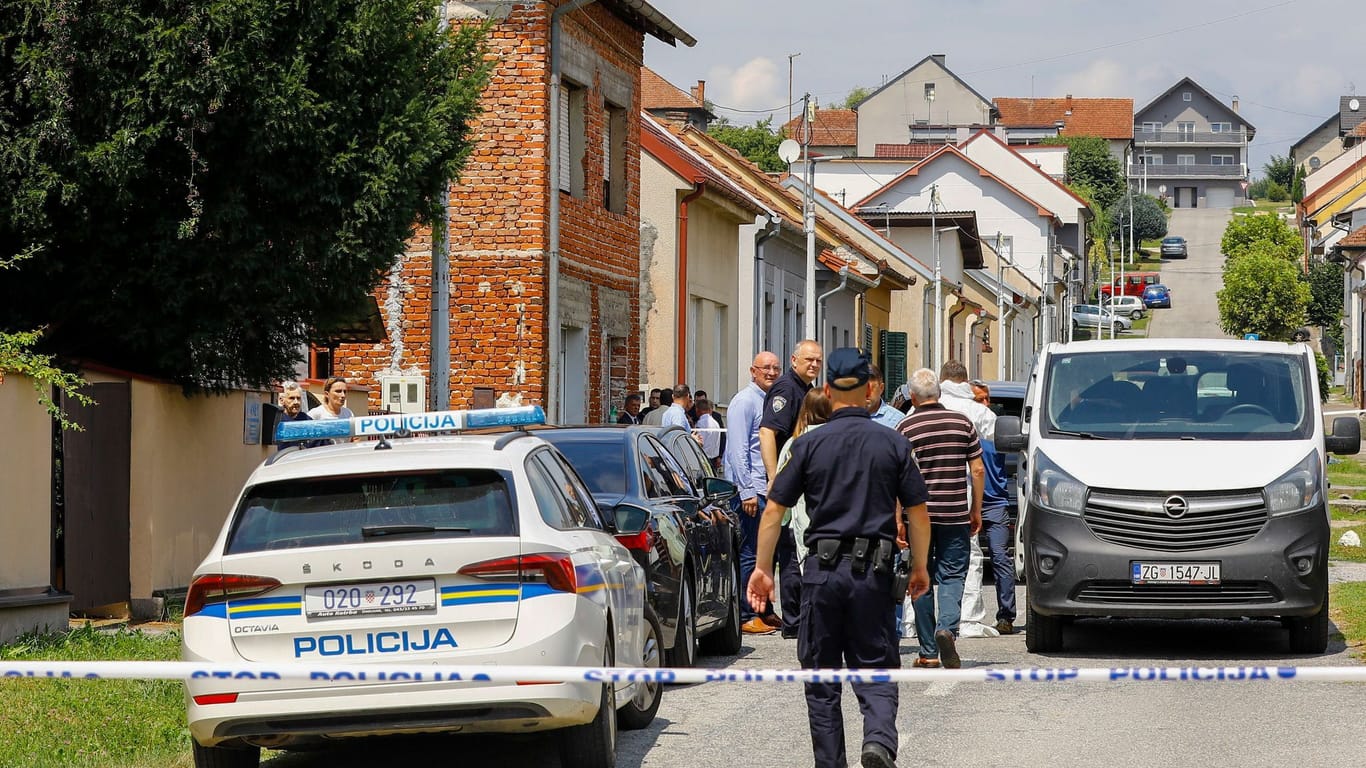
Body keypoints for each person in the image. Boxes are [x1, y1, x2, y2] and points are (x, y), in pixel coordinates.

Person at [748, 347, 930, 768]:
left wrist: (762, 568)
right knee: (878, 666)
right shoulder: (894, 443)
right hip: (875, 573)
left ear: (827, 390)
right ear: (870, 390)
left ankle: (831, 763)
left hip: (822, 575)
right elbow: (919, 514)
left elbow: (775, 510)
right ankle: (879, 741)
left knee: (822, 679)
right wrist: (920, 566)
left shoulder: (808, 445)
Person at [896, 368, 984, 670]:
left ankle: (928, 651)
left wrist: (898, 519)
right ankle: (947, 627)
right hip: (955, 513)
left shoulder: (905, 427)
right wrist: (976, 510)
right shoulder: (962, 423)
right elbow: (977, 470)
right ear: (939, 393)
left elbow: (897, 478)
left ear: (912, 396)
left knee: (919, 577)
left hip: (917, 517)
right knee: (953, 574)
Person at [759, 339, 823, 638]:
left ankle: (799, 619)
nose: (814, 365)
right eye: (809, 360)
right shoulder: (786, 388)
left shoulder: (805, 390)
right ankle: (794, 621)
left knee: (797, 548)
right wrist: (774, 477)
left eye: (818, 361)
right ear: (794, 360)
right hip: (789, 477)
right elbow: (768, 431)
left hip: (799, 477)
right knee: (790, 551)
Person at [725, 352, 783, 635]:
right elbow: (737, 450)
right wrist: (747, 491)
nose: (771, 373)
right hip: (751, 491)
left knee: (765, 555)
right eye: (766, 368)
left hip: (765, 489)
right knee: (750, 553)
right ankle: (748, 613)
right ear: (753, 371)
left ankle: (763, 610)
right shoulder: (744, 402)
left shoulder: (768, 401)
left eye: (775, 368)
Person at [968, 380, 1017, 635]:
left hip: (994, 502)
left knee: (999, 557)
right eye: (978, 400)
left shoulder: (996, 430)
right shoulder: (964, 428)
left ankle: (1006, 616)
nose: (985, 405)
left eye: (987, 400)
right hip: (965, 503)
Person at [776, 389, 832, 563]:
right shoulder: (843, 440)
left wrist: (783, 521)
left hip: (802, 528)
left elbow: (781, 488)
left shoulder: (795, 444)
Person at [308, 376, 356, 444]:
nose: (343, 395)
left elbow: (355, 438)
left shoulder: (348, 414)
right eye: (338, 391)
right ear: (327, 394)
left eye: (345, 392)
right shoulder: (316, 414)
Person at [865, 364, 904, 429]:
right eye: (862, 389)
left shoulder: (898, 420)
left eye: (871, 388)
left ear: (881, 388)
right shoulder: (845, 418)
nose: (866, 393)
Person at [693, 396, 723, 472]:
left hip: (704, 459)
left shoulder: (701, 423)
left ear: (697, 410)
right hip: (714, 458)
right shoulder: (716, 423)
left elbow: (699, 442)